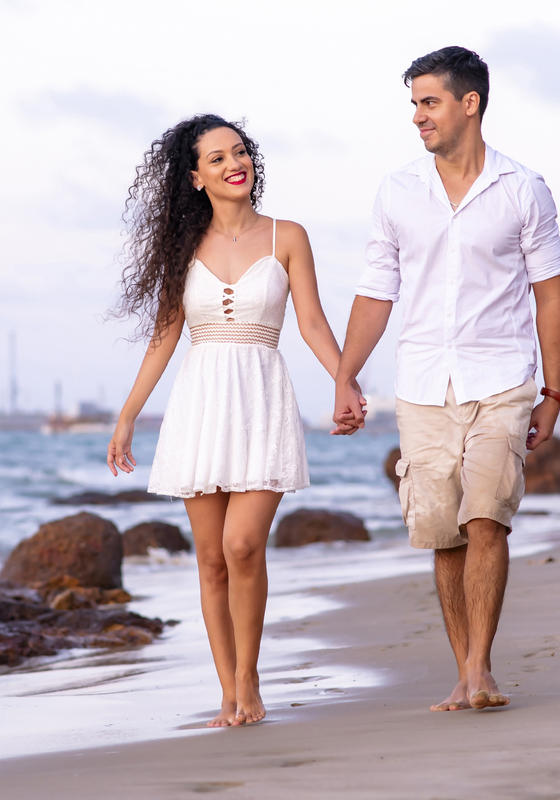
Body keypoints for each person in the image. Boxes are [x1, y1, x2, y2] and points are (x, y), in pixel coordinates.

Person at [332, 46, 560, 711]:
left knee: (486, 517)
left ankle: (480, 669)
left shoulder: (523, 189)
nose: (417, 117)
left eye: (429, 101)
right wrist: (347, 377)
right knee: (443, 533)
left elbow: (550, 295)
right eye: (412, 104)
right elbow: (377, 292)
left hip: (502, 378)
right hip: (422, 384)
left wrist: (554, 392)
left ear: (471, 103)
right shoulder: (398, 192)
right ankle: (463, 672)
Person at [107, 115, 349, 727]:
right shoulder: (183, 250)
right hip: (200, 403)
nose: (231, 163)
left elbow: (313, 323)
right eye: (215, 158)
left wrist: (345, 381)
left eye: (238, 152)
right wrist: (128, 415)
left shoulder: (286, 236)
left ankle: (250, 679)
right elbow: (164, 338)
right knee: (211, 559)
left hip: (262, 396)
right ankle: (226, 693)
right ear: (195, 178)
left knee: (243, 546)